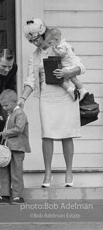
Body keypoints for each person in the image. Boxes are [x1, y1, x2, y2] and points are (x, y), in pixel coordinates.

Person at [19, 18, 85, 187]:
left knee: (66, 134)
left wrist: (66, 72)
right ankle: (47, 173)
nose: (34, 42)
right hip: (47, 97)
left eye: (36, 38)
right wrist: (22, 99)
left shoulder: (61, 46)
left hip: (66, 95)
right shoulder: (34, 56)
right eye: (31, 40)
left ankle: (69, 172)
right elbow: (31, 80)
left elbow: (80, 67)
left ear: (43, 34)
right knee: (47, 135)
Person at [0, 89, 31, 204]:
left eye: (6, 105)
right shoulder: (10, 114)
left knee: (16, 171)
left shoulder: (20, 113)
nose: (4, 108)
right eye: (2, 106)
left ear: (15, 102)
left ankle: (17, 196)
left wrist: (5, 133)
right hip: (8, 148)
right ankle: (5, 195)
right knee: (4, 170)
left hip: (18, 148)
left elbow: (19, 129)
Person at [45, 28, 88, 101]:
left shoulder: (61, 46)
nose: (50, 45)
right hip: (71, 64)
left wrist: (55, 50)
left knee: (61, 79)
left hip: (69, 66)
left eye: (50, 43)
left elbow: (62, 54)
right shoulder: (65, 44)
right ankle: (82, 90)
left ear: (56, 40)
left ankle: (71, 90)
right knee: (74, 79)